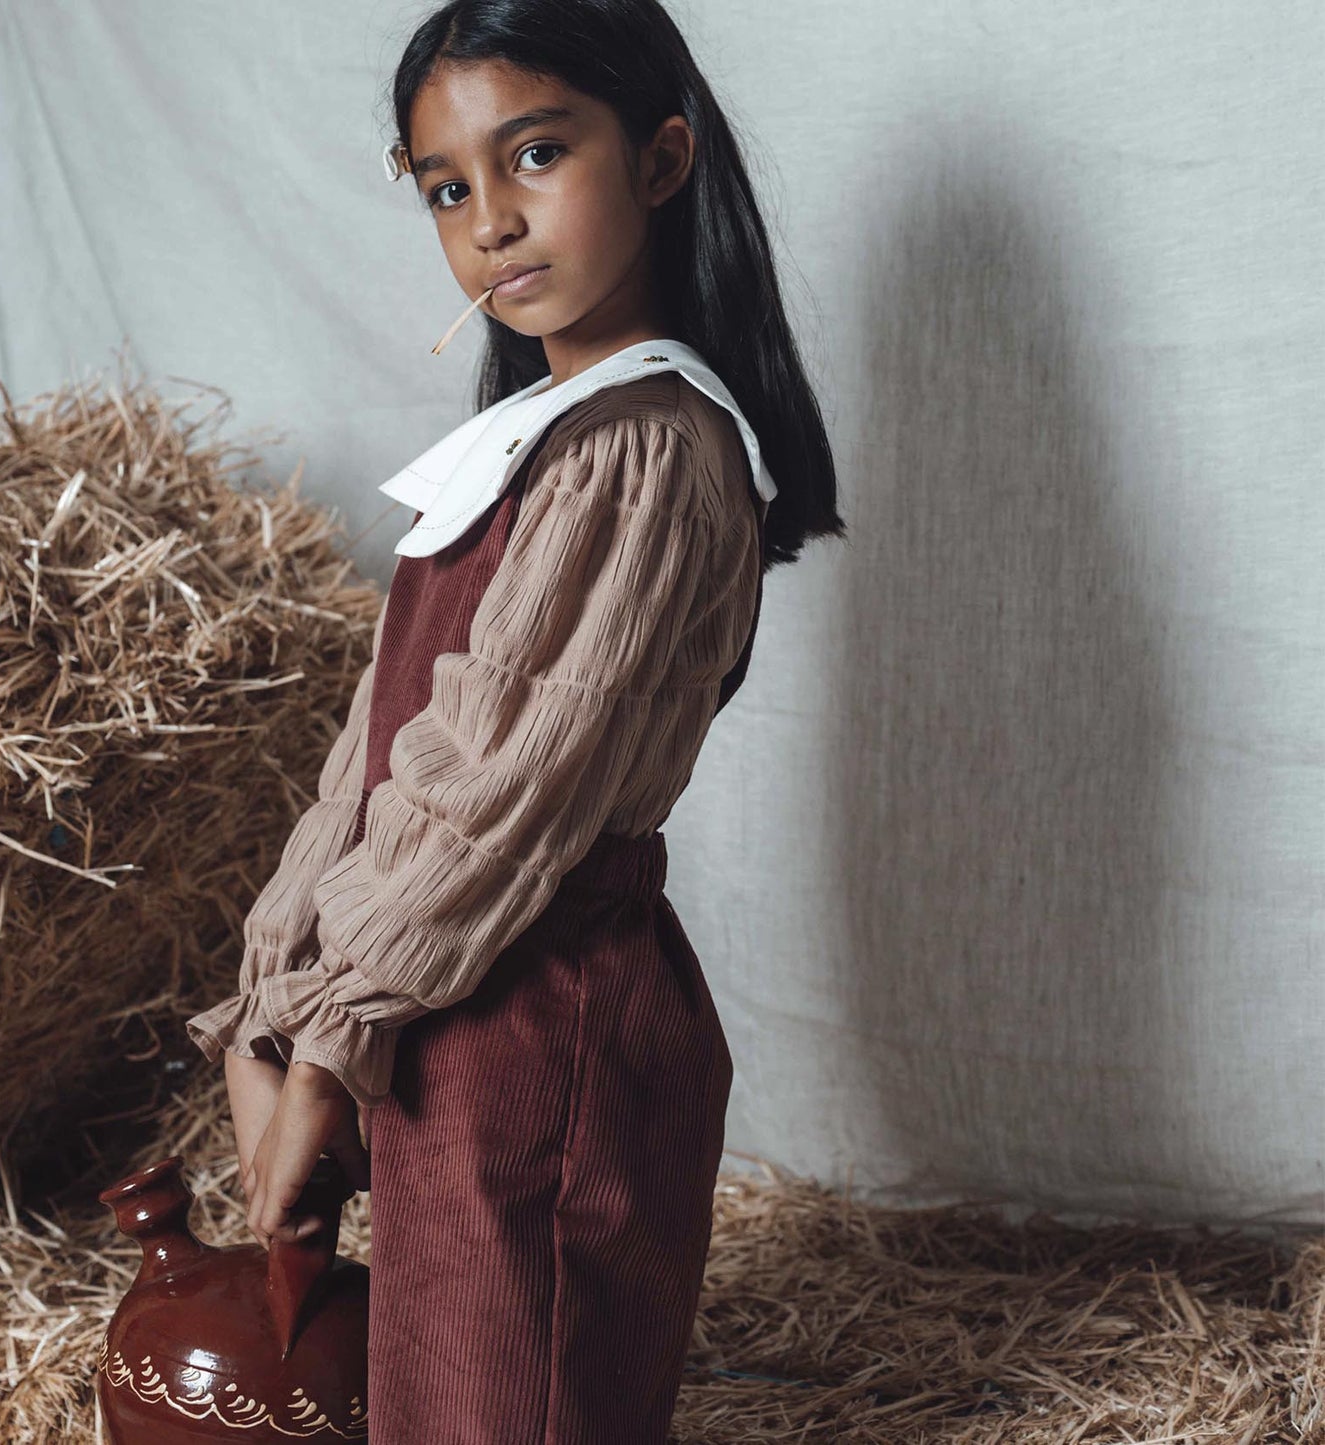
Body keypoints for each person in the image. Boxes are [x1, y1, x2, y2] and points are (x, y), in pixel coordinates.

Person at [185, 1, 844, 1438]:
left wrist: (335, 1027)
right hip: (444, 1002)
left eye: (535, 154)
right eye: (446, 187)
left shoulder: (650, 448)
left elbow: (487, 795)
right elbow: (373, 766)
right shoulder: (525, 448)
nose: (490, 221)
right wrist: (274, 1011)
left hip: (538, 1017)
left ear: (662, 159)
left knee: (513, 1400)